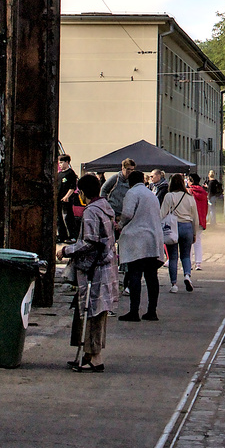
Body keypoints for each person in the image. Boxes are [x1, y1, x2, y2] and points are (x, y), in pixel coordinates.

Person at [62, 175, 119, 371]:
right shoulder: (105, 208)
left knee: (92, 311)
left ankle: (96, 357)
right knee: (94, 311)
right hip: (105, 266)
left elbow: (89, 241)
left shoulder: (91, 212)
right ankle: (88, 353)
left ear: (83, 192)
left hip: (94, 269)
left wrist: (65, 250)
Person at [117, 170, 164, 321]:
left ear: (130, 182)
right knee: (151, 276)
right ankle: (152, 310)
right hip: (153, 238)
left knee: (135, 275)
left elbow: (128, 214)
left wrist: (120, 224)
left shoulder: (132, 193)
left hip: (137, 239)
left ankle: (134, 311)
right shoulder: (151, 194)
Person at [160, 174, 198, 293]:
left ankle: (174, 284)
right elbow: (195, 217)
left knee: (173, 257)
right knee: (186, 255)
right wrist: (194, 232)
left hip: (173, 227)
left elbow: (162, 214)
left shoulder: (169, 196)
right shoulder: (189, 197)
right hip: (187, 226)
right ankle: (187, 275)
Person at [188, 173, 209, 270]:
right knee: (198, 241)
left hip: (190, 219)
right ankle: (198, 263)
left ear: (191, 181)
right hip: (201, 219)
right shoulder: (203, 192)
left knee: (188, 242)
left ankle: (189, 262)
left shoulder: (189, 192)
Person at [56, 155, 79, 242]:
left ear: (67, 162)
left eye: (61, 162)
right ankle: (62, 236)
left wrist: (67, 196)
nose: (60, 164)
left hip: (67, 199)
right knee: (59, 218)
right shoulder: (59, 174)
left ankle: (73, 236)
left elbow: (72, 187)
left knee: (68, 217)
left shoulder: (71, 173)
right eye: (59, 163)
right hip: (58, 199)